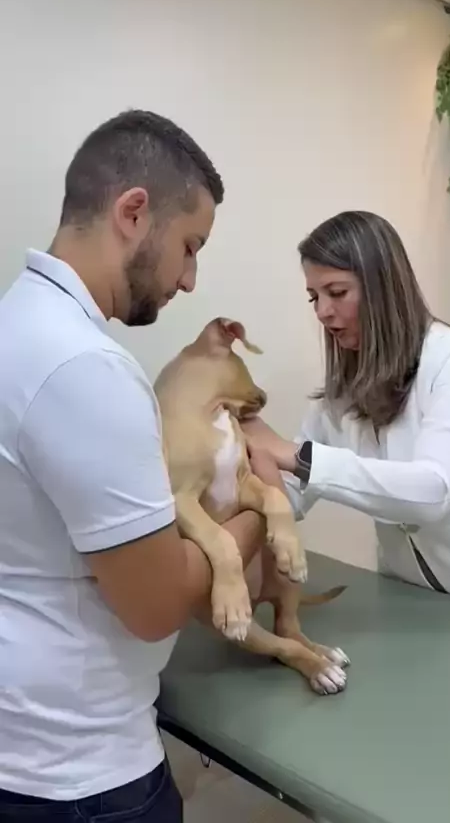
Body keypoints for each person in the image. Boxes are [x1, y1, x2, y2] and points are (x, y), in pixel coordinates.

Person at [0, 110, 265, 822]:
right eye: (189, 247)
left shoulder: (15, 325)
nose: (190, 279)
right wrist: (256, 512)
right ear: (133, 212)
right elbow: (155, 606)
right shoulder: (85, 366)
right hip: (81, 781)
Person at [243, 210, 450, 601]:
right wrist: (234, 454)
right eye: (314, 297)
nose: (322, 311)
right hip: (409, 600)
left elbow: (434, 490)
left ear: (383, 287)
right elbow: (290, 495)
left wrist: (295, 456)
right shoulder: (339, 399)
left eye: (336, 293)